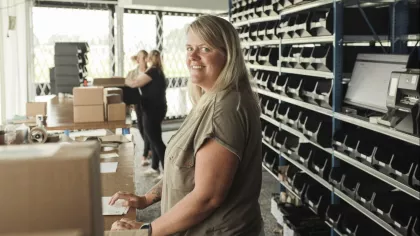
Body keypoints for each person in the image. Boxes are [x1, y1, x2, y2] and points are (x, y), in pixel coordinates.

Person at [109, 15, 264, 236]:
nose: (192, 56)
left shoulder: (225, 109)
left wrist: (145, 231)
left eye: (204, 49)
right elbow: (185, 169)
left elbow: (207, 197)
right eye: (189, 47)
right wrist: (147, 199)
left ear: (227, 55)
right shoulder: (209, 99)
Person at [125, 50, 168, 180]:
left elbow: (134, 83)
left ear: (149, 58)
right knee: (153, 138)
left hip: (152, 110)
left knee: (156, 140)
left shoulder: (153, 71)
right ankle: (155, 167)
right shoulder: (157, 71)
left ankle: (166, 170)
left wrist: (124, 80)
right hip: (156, 108)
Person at [126, 50, 153, 166]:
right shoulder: (132, 73)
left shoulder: (151, 72)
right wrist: (130, 104)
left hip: (149, 103)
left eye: (142, 58)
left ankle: (145, 154)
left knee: (147, 128)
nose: (140, 60)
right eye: (139, 58)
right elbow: (128, 88)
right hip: (138, 103)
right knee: (141, 127)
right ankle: (151, 149)